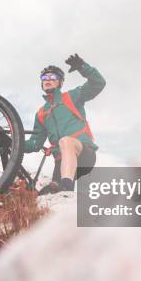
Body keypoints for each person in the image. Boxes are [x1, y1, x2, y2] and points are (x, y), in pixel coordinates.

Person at [24, 54, 106, 193]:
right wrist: (15, 142)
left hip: (83, 153)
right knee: (49, 194)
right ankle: (64, 191)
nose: (48, 79)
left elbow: (98, 83)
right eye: (45, 78)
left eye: (53, 77)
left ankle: (66, 187)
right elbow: (35, 143)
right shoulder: (41, 113)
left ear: (60, 83)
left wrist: (82, 67)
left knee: (66, 141)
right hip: (60, 161)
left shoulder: (72, 97)